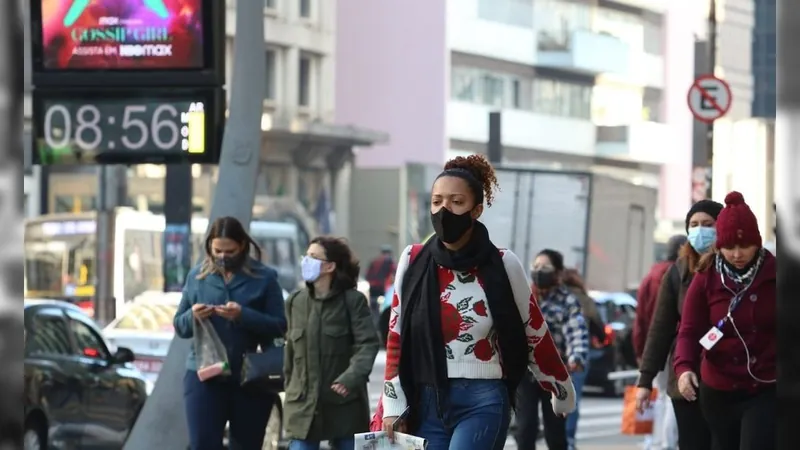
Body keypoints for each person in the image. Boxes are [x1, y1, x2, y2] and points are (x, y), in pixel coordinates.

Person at [380, 154, 576, 450]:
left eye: (456, 202)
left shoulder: (503, 264)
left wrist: (560, 388)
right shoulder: (413, 260)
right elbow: (396, 337)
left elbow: (533, 331)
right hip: (426, 399)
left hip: (483, 400)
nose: (444, 210)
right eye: (436, 201)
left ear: (476, 210)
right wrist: (392, 405)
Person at [173, 216, 287, 450]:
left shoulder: (264, 277)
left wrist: (243, 315)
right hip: (205, 374)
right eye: (218, 251)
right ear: (209, 248)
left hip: (250, 376)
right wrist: (192, 315)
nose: (223, 257)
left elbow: (279, 325)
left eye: (230, 251)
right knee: (203, 444)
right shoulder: (197, 277)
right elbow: (180, 327)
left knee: (246, 445)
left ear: (242, 246)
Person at [674, 192, 776, 450]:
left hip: (764, 386)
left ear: (758, 242)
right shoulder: (706, 277)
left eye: (744, 246)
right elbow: (689, 330)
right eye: (729, 247)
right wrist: (684, 368)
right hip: (718, 388)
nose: (737, 254)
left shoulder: (776, 274)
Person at [636, 199, 721, 450]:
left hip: (727, 377)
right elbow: (660, 329)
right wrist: (645, 380)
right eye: (694, 225)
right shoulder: (678, 273)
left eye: (708, 224)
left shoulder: (733, 269)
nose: (700, 230)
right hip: (686, 378)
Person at [283, 236, 380, 450]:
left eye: (314, 257)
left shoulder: (352, 301)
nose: (306, 261)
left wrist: (351, 378)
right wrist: (290, 388)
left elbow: (368, 344)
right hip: (303, 403)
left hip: (343, 402)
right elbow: (289, 352)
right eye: (306, 256)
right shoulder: (295, 302)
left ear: (329, 266)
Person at [516, 249, 589, 450]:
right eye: (536, 266)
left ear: (557, 273)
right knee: (525, 429)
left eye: (545, 267)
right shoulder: (523, 296)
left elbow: (576, 330)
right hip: (527, 373)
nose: (539, 271)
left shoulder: (567, 301)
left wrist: (576, 357)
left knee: (555, 433)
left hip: (556, 374)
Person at [633, 235, 685, 450]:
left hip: (653, 346)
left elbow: (641, 318)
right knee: (673, 394)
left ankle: (654, 442)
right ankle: (667, 442)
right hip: (677, 344)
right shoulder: (681, 274)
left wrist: (641, 351)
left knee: (659, 395)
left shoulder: (650, 276)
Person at [561, 268, 604, 450]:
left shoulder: (555, 297)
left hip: (555, 354)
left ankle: (554, 434)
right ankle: (569, 439)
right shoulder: (585, 300)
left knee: (552, 398)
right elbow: (598, 328)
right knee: (573, 398)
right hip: (578, 356)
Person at [365, 245, 396, 322]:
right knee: (382, 307)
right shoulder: (390, 262)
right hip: (383, 289)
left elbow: (367, 275)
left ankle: (375, 323)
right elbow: (394, 275)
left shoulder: (374, 261)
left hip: (373, 288)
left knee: (374, 308)